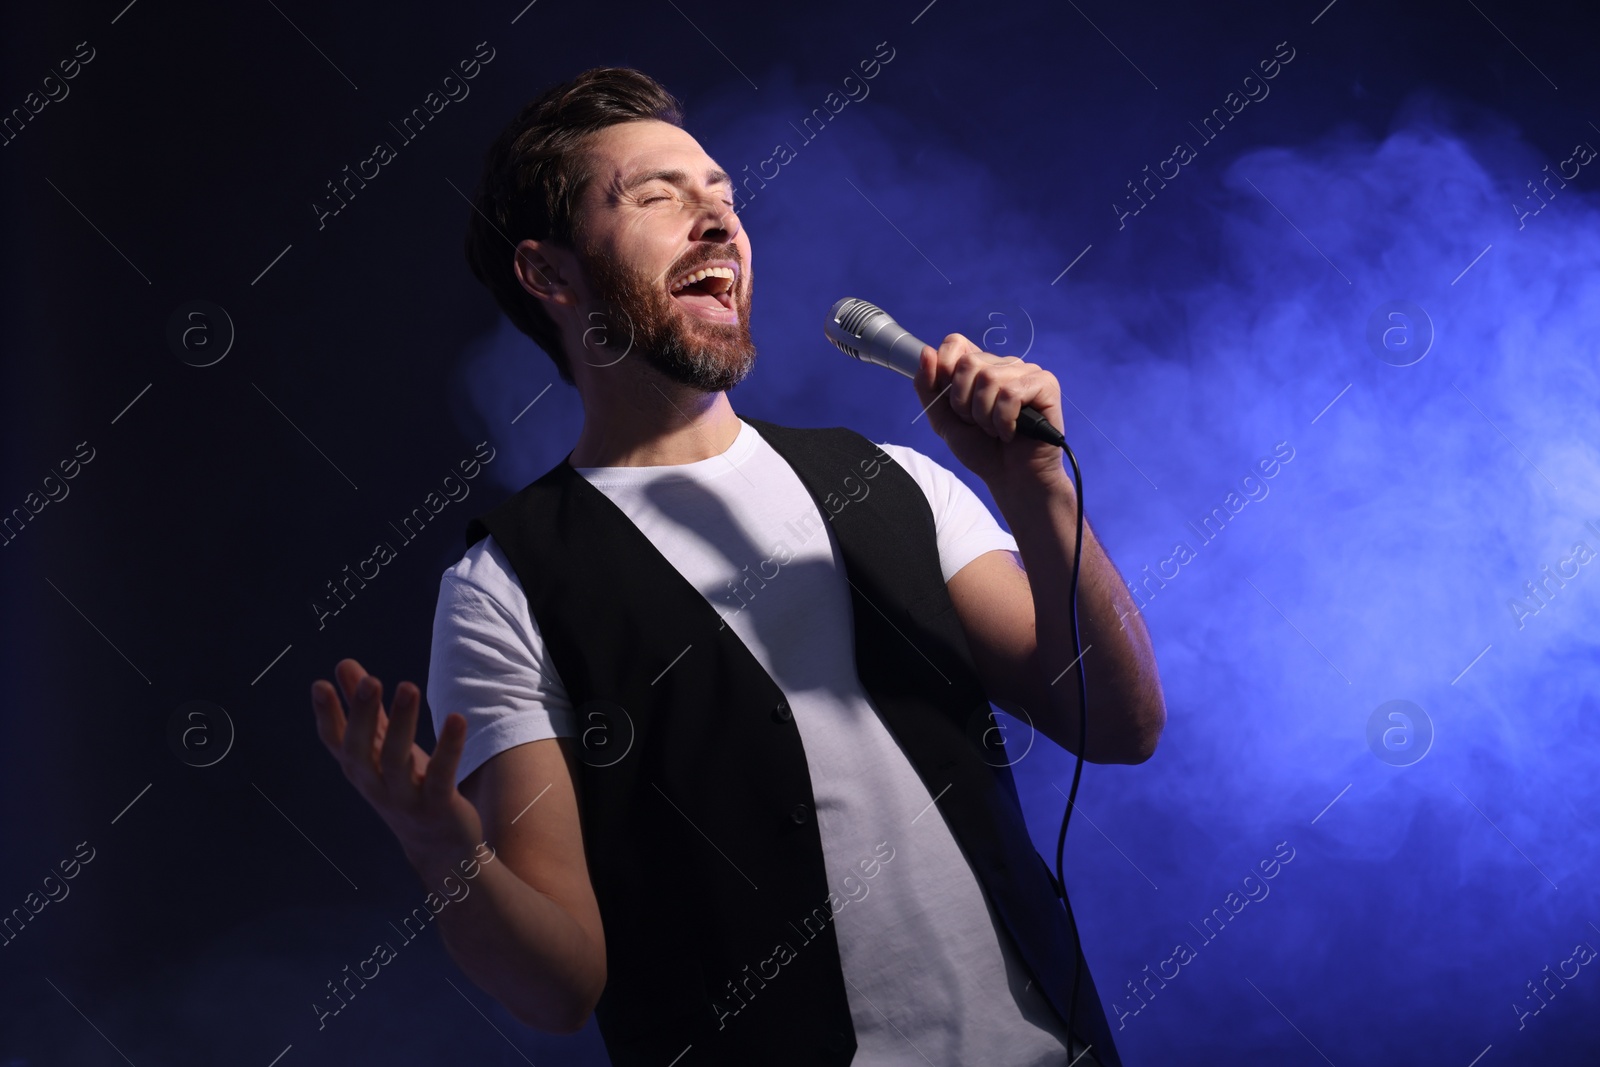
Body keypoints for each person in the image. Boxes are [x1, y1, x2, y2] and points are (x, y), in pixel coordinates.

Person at [310, 67, 1165, 1066]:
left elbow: (1119, 722)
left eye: (720, 193)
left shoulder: (891, 479)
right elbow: (560, 985)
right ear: (549, 276)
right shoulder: (507, 586)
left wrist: (1037, 493)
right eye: (656, 196)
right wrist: (444, 850)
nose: (716, 220)